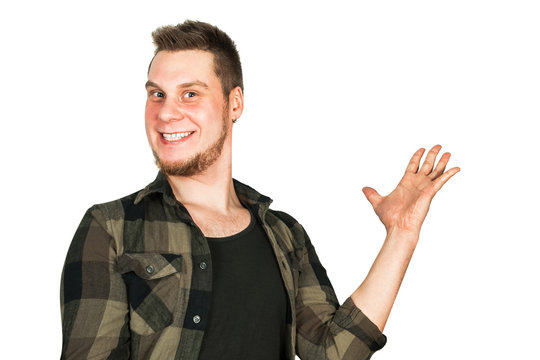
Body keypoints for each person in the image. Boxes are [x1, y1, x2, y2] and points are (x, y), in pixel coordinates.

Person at [60, 20, 460, 360]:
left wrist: (401, 234)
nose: (166, 112)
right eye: (156, 94)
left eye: (191, 94)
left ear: (234, 104)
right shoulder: (112, 228)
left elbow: (334, 351)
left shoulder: (285, 235)